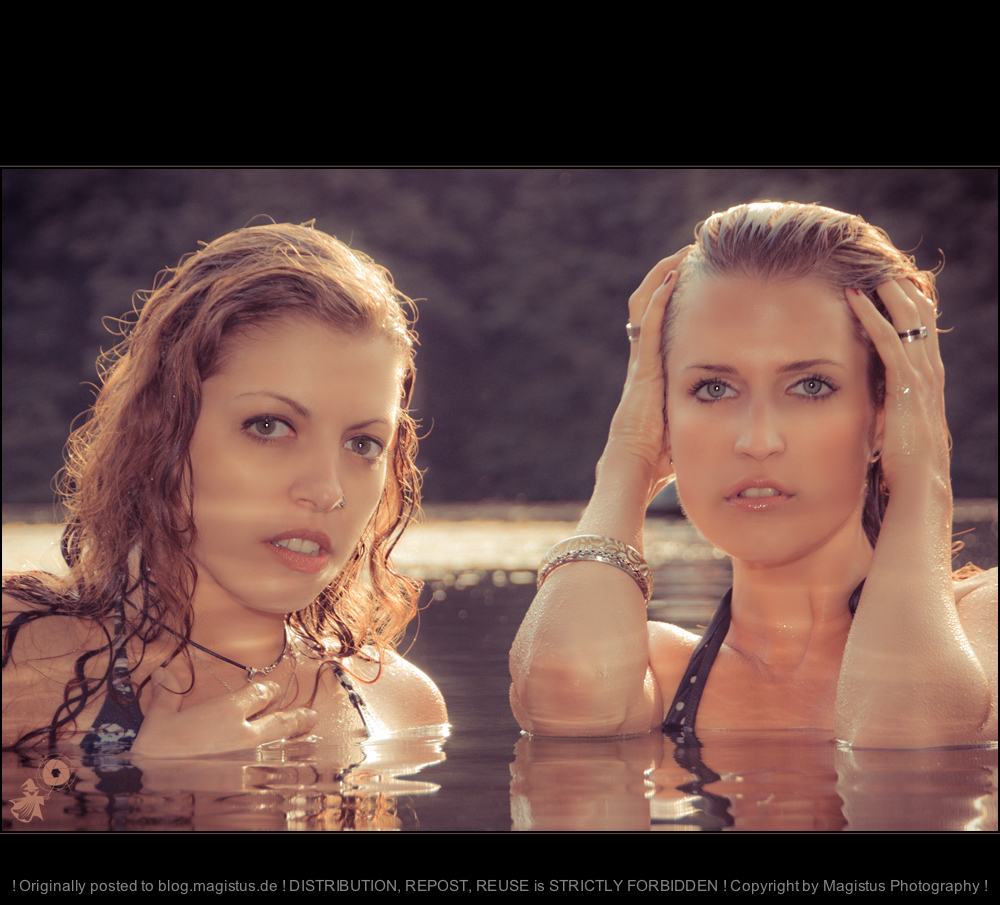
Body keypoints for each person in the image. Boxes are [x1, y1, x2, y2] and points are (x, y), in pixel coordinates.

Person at [510, 202, 997, 748]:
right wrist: (627, 457)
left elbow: (909, 734)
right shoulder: (656, 671)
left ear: (884, 415)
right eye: (714, 388)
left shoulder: (986, 621)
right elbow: (565, 698)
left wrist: (923, 475)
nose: (758, 440)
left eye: (810, 386)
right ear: (664, 414)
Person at [3, 222, 447, 756]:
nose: (327, 490)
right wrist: (146, 782)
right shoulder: (22, 659)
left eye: (363, 444)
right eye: (270, 426)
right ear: (164, 427)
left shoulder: (401, 707)